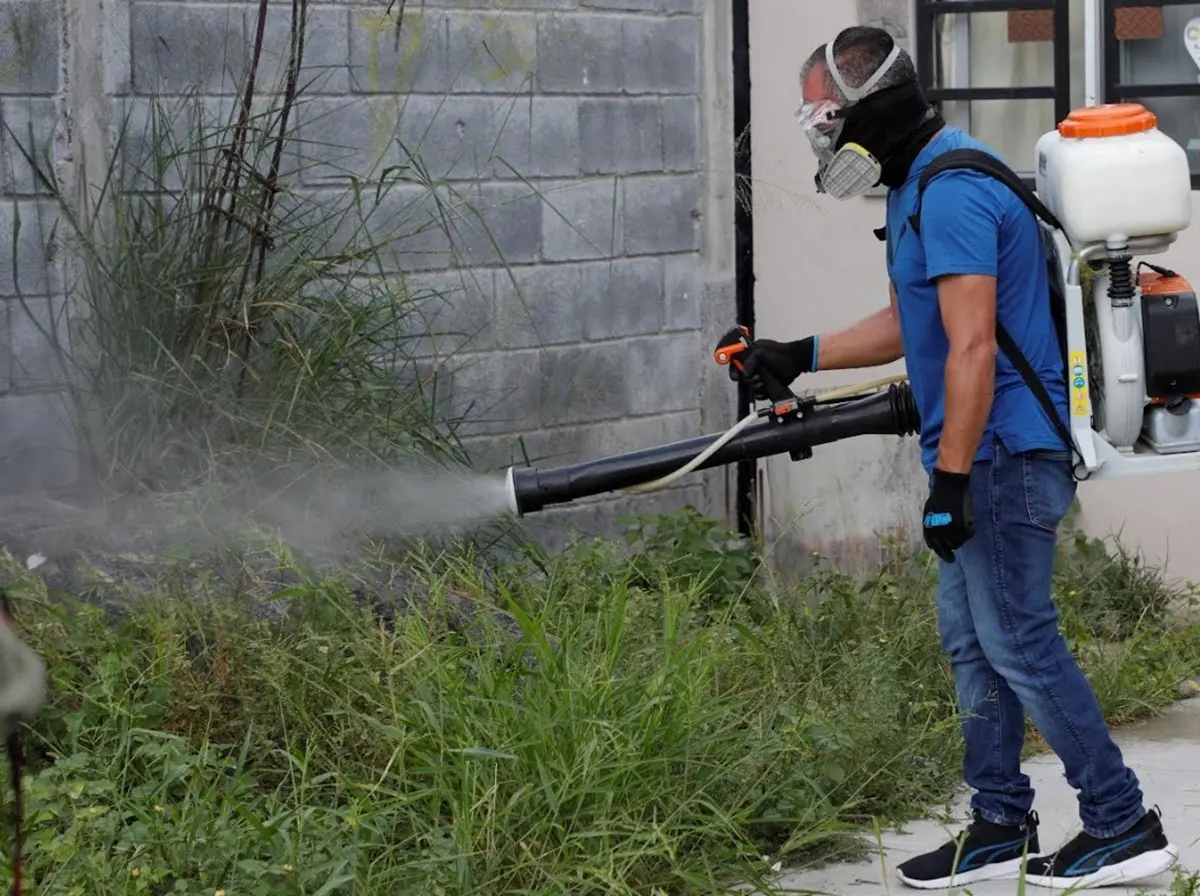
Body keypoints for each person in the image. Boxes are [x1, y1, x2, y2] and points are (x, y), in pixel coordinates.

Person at [738, 24, 1180, 892]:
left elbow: (973, 349)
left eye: (824, 116)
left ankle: (1122, 824)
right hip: (979, 453)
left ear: (868, 106)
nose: (820, 135)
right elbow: (917, 323)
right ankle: (1000, 825)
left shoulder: (950, 190)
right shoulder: (919, 185)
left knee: (1019, 641)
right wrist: (799, 351)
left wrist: (949, 483)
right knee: (974, 644)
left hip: (1003, 455)